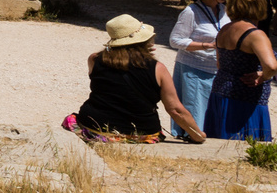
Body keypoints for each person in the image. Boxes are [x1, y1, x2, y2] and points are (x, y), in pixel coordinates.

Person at [62, 14, 205, 144]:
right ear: (144, 41)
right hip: (141, 132)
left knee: (72, 119)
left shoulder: (94, 59)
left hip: (94, 126)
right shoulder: (157, 68)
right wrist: (198, 135)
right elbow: (175, 109)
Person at [204, 0, 277, 140]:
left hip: (221, 92)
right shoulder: (255, 34)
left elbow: (220, 64)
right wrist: (263, 76)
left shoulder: (224, 30)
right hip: (246, 98)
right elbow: (271, 66)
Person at [168, 0, 236, 139]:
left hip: (217, 69)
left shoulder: (223, 10)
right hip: (194, 69)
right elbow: (175, 41)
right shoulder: (190, 12)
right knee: (195, 106)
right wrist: (205, 46)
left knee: (212, 108)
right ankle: (191, 136)